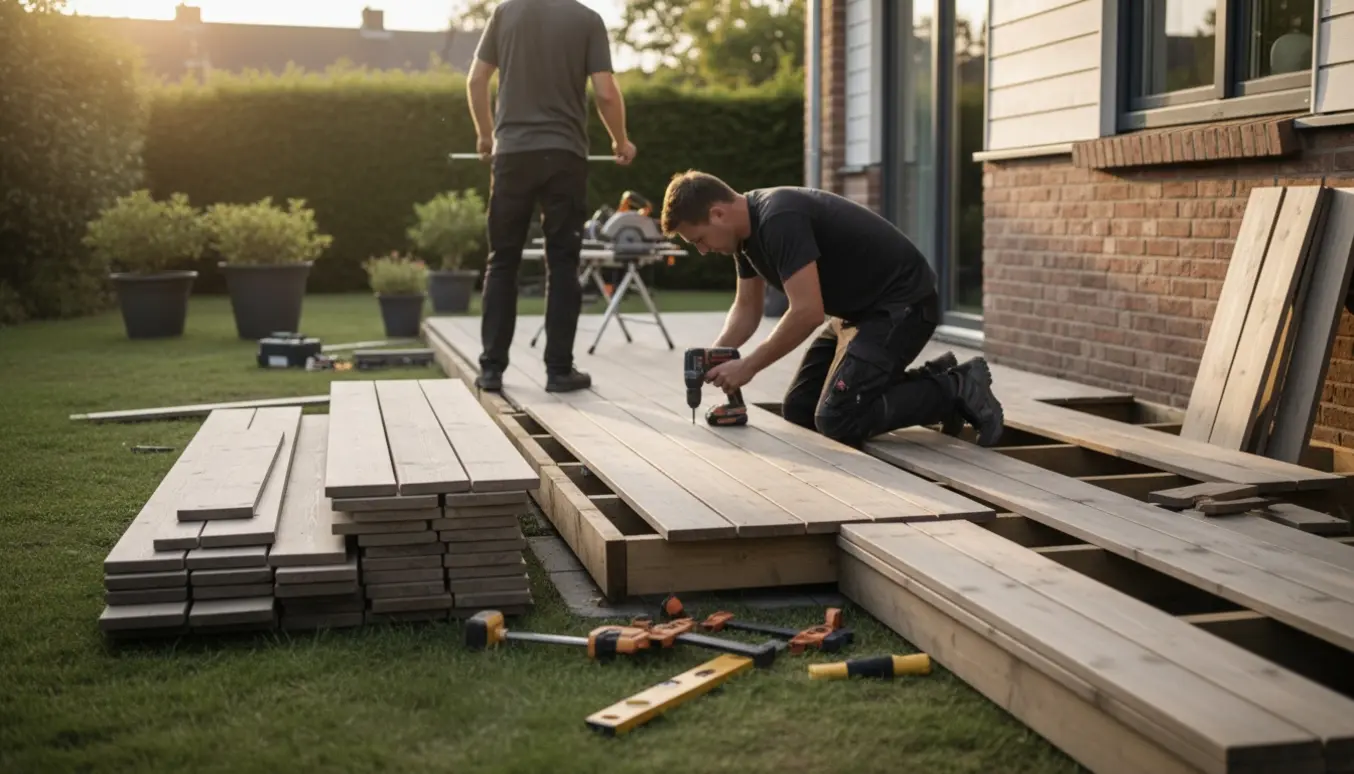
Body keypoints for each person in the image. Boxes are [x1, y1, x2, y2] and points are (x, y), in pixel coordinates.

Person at [659, 170, 1004, 447]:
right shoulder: (745, 238)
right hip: (858, 314)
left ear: (717, 214)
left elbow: (807, 312)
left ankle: (955, 386)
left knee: (838, 419)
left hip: (903, 306)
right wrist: (717, 355)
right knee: (801, 409)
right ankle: (932, 379)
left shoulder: (779, 218)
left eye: (699, 240)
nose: (702, 251)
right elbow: (747, 308)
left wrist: (748, 366)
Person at [465, 0, 637, 393]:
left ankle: (491, 370)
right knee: (562, 261)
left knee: (502, 260)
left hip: (511, 157)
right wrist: (620, 140)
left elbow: (476, 80)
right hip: (564, 157)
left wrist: (485, 135)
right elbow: (606, 93)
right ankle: (559, 371)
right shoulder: (587, 20)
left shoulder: (505, 13)